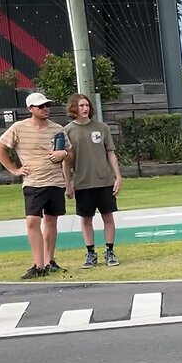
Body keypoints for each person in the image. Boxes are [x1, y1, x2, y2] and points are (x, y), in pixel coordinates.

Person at [0, 91, 70, 279]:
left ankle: (49, 261)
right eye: (40, 106)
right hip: (34, 182)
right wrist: (14, 169)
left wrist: (64, 155)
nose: (45, 109)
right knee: (32, 221)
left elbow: (71, 153)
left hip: (55, 181)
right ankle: (38, 264)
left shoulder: (57, 128)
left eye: (46, 106)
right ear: (30, 109)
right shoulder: (19, 128)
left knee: (52, 221)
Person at [62, 93, 122, 268]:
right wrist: (68, 184)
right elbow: (65, 161)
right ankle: (90, 253)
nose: (85, 108)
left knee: (108, 217)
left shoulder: (102, 127)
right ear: (74, 108)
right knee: (86, 219)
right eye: (81, 106)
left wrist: (117, 176)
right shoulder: (67, 131)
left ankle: (110, 251)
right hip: (82, 183)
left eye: (87, 105)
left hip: (104, 181)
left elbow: (110, 152)